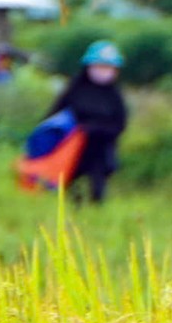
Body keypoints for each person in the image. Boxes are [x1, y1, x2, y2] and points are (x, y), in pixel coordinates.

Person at [46, 40, 129, 202]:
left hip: (101, 150)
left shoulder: (114, 96)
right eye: (99, 67)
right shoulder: (75, 89)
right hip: (72, 148)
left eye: (108, 68)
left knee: (97, 191)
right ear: (89, 67)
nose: (103, 72)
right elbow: (54, 117)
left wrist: (95, 129)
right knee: (70, 190)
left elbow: (119, 125)